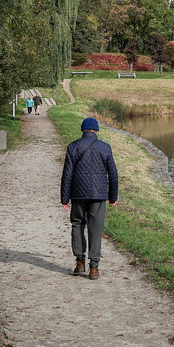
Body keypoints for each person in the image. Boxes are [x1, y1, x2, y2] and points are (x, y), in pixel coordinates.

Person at [60, 117, 118, 280]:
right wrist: (112, 196)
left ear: (83, 130)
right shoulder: (105, 147)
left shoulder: (73, 146)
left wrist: (65, 198)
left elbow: (67, 175)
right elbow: (113, 174)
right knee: (96, 229)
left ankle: (79, 263)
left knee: (77, 225)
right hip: (98, 195)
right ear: (96, 130)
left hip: (78, 194)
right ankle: (94, 267)